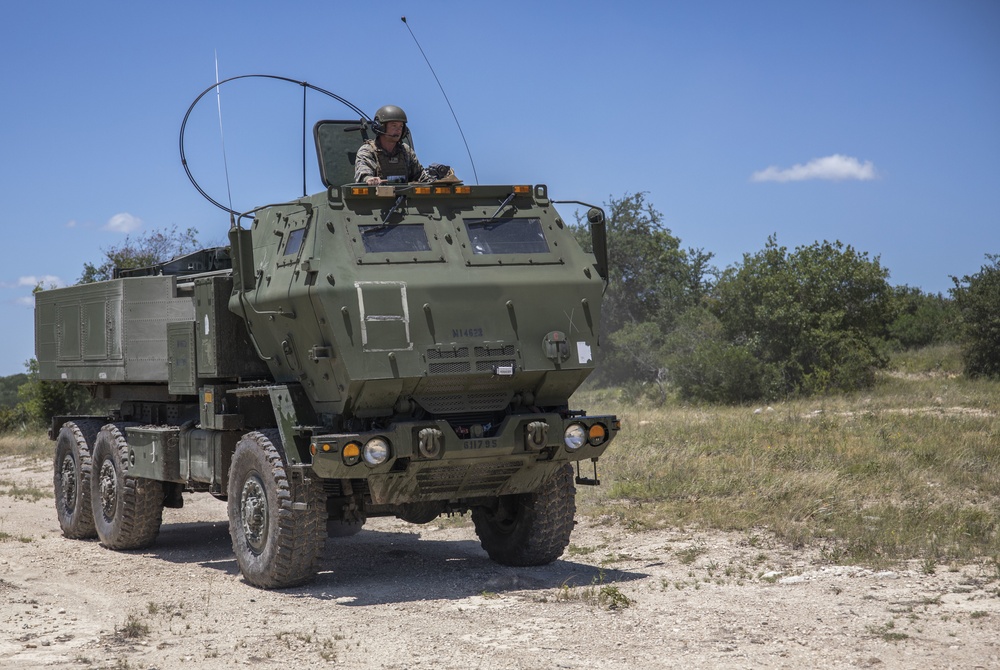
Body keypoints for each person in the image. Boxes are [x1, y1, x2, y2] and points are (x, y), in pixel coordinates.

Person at [354, 105, 432, 185]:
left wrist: (437, 177)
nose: (398, 130)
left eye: (401, 126)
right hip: (376, 196)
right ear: (381, 127)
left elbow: (420, 176)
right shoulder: (368, 150)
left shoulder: (406, 151)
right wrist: (369, 179)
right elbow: (363, 175)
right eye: (394, 125)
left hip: (404, 196)